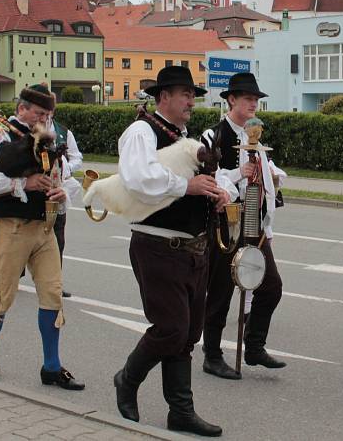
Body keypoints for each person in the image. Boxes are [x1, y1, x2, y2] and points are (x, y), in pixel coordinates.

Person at [113, 66, 231, 437]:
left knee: (188, 333)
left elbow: (198, 181)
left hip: (193, 249)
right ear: (163, 96)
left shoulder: (183, 136)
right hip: (157, 244)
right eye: (185, 94)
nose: (191, 101)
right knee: (170, 328)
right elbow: (139, 178)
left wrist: (217, 191)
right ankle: (127, 378)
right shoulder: (141, 131)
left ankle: (181, 411)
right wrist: (188, 186)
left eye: (193, 95)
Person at [0, 84, 84, 390]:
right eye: (39, 113)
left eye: (48, 115)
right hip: (10, 223)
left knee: (53, 293)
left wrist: (62, 190)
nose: (45, 120)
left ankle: (52, 366)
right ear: (22, 109)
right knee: (4, 293)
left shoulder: (48, 137)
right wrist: (22, 182)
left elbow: (67, 177)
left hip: (44, 226)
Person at [200, 72, 287, 380]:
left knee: (271, 287)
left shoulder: (256, 137)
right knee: (221, 291)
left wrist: (270, 177)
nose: (253, 104)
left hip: (255, 224)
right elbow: (210, 176)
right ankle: (211, 354)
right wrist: (239, 172)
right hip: (227, 222)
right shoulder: (214, 135)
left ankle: (254, 346)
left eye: (256, 100)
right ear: (231, 100)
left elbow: (266, 178)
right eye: (248, 99)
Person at [48, 91, 83, 299]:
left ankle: (54, 283)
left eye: (50, 107)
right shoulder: (29, 130)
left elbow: (77, 156)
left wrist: (65, 167)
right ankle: (16, 272)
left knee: (57, 240)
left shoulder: (63, 131)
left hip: (58, 192)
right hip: (33, 194)